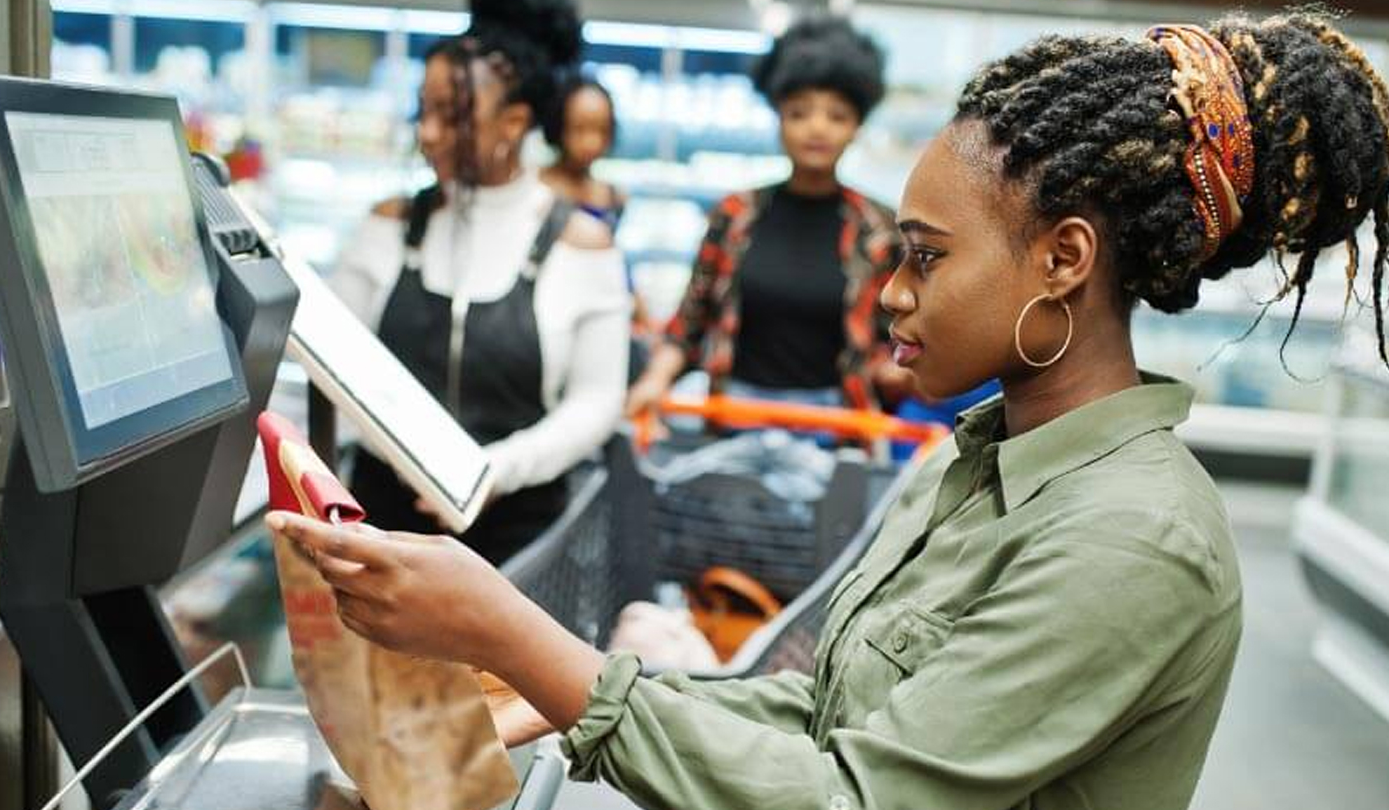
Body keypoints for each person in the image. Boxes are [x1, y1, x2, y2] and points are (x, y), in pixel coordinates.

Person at [274, 11, 1389, 810]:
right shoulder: (966, 467)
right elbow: (825, 717)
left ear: (1063, 260)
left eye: (926, 258)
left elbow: (855, 793)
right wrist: (579, 691)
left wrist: (514, 634)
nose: (892, 293)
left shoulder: (1131, 540)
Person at [329, 0, 629, 566]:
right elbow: (333, 366)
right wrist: (405, 455)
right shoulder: (389, 227)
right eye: (423, 111)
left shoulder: (581, 247)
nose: (428, 133)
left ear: (514, 122)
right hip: (380, 531)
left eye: (453, 115)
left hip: (520, 547)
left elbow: (596, 401)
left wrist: (496, 471)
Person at [624, 15, 911, 420]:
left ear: (856, 127)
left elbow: (898, 339)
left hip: (838, 425)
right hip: (735, 413)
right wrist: (655, 380)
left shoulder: (880, 230)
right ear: (778, 118)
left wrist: (902, 370)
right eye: (799, 113)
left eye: (836, 116)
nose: (817, 128)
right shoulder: (734, 216)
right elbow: (688, 326)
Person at [540, 76, 626, 231]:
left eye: (602, 129)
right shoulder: (534, 188)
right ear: (559, 125)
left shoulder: (614, 197)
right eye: (579, 129)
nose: (592, 142)